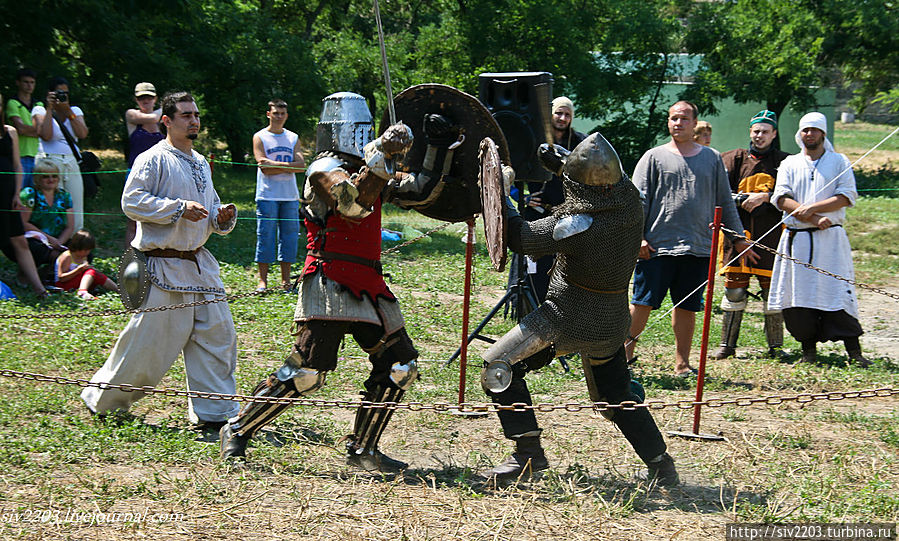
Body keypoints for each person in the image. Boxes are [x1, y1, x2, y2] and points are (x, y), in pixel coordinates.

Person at [220, 92, 419, 473]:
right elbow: (352, 206)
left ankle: (363, 450)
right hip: (330, 280)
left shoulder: (375, 169)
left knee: (399, 366)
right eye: (356, 130)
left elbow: (419, 192)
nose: (363, 137)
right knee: (307, 373)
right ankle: (239, 428)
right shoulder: (323, 169)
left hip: (370, 283)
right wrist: (382, 160)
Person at [477, 133, 679, 486]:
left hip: (565, 314)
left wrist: (504, 192)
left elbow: (521, 237)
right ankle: (661, 464)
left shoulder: (579, 224)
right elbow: (602, 182)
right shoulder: (630, 200)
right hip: (612, 316)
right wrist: (561, 165)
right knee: (616, 396)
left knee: (498, 367)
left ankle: (528, 457)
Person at [81, 91, 241, 426]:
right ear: (166, 120)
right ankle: (104, 400)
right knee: (149, 343)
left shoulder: (200, 162)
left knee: (217, 334)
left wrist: (220, 217)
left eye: (196, 114)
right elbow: (132, 201)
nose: (193, 120)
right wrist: (178, 209)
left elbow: (209, 209)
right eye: (185, 115)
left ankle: (215, 411)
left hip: (199, 265)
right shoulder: (153, 159)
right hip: (162, 265)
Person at [626, 101, 756, 377]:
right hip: (657, 247)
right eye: (674, 118)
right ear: (668, 122)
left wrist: (738, 238)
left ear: (694, 123)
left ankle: (682, 363)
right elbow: (637, 202)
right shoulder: (653, 157)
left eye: (684, 118)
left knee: (686, 306)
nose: (678, 123)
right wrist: (638, 239)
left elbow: (725, 201)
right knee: (642, 303)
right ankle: (623, 358)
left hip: (698, 247)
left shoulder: (711, 158)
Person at [768, 112, 870, 367]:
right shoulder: (790, 163)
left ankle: (854, 353)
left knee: (836, 291)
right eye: (805, 130)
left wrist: (811, 210)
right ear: (799, 134)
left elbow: (846, 196)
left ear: (823, 133)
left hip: (830, 241)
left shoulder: (839, 161)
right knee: (799, 295)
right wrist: (812, 218)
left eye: (814, 129)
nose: (809, 134)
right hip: (798, 240)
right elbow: (781, 198)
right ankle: (808, 352)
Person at [714, 110, 791, 360]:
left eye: (765, 131)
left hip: (772, 237)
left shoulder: (785, 162)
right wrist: (743, 199)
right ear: (750, 131)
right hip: (738, 235)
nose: (760, 136)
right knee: (734, 292)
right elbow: (720, 192)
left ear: (774, 134)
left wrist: (766, 197)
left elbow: (793, 194)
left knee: (772, 294)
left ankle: (776, 346)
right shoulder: (734, 159)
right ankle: (727, 345)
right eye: (756, 131)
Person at [509, 96, 587, 302]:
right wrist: (521, 197)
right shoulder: (533, 139)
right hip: (538, 215)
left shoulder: (580, 143)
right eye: (558, 113)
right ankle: (529, 308)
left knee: (565, 270)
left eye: (567, 114)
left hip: (569, 216)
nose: (562, 118)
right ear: (550, 114)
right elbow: (509, 172)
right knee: (535, 268)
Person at [251, 98, 305, 291]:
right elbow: (263, 167)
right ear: (269, 114)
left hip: (289, 196)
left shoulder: (293, 138)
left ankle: (285, 281)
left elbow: (301, 166)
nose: (279, 117)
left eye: (282, 113)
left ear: (286, 116)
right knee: (265, 236)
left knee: (289, 237)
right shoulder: (260, 137)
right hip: (267, 195)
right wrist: (288, 166)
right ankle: (262, 281)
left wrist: (277, 165)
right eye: (275, 113)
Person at [0, 93, 50, 297]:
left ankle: (39, 288)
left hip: (8, 195)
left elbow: (17, 165)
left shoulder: (9, 132)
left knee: (19, 240)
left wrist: (17, 193)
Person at [31, 76, 88, 231]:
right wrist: (50, 108)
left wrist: (67, 110)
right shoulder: (40, 110)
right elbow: (46, 135)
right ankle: (52, 243)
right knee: (52, 203)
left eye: (65, 93)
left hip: (70, 162)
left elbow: (82, 133)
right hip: (49, 162)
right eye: (58, 93)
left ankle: (76, 239)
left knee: (75, 203)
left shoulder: (74, 111)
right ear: (50, 93)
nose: (62, 96)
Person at [124, 82, 165, 246]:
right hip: (135, 174)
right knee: (133, 221)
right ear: (136, 99)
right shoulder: (132, 115)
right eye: (142, 98)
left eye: (149, 97)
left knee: (159, 220)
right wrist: (168, 108)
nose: (145, 100)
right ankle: (129, 263)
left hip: (161, 174)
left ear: (155, 98)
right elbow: (154, 118)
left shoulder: (164, 121)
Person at [19, 157, 74, 271]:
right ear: (38, 178)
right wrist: (49, 240)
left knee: (82, 248)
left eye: (54, 176)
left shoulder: (65, 196)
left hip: (59, 239)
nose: (51, 179)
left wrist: (59, 243)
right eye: (45, 176)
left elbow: (70, 226)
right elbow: (24, 223)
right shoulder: (29, 194)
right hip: (35, 238)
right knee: (38, 249)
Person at [55, 229, 118, 300]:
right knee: (92, 272)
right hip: (64, 285)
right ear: (77, 247)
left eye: (89, 250)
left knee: (95, 273)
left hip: (77, 282)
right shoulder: (68, 256)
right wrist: (79, 270)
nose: (87, 253)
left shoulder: (83, 256)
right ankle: (82, 292)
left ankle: (119, 290)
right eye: (85, 250)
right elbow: (61, 278)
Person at [5, 69, 43, 187]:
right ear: (18, 83)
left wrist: (33, 130)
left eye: (32, 82)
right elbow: (20, 129)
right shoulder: (13, 103)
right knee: (21, 195)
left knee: (35, 195)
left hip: (38, 155)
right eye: (26, 82)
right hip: (20, 155)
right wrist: (37, 130)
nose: (29, 86)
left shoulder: (39, 104)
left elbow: (44, 131)